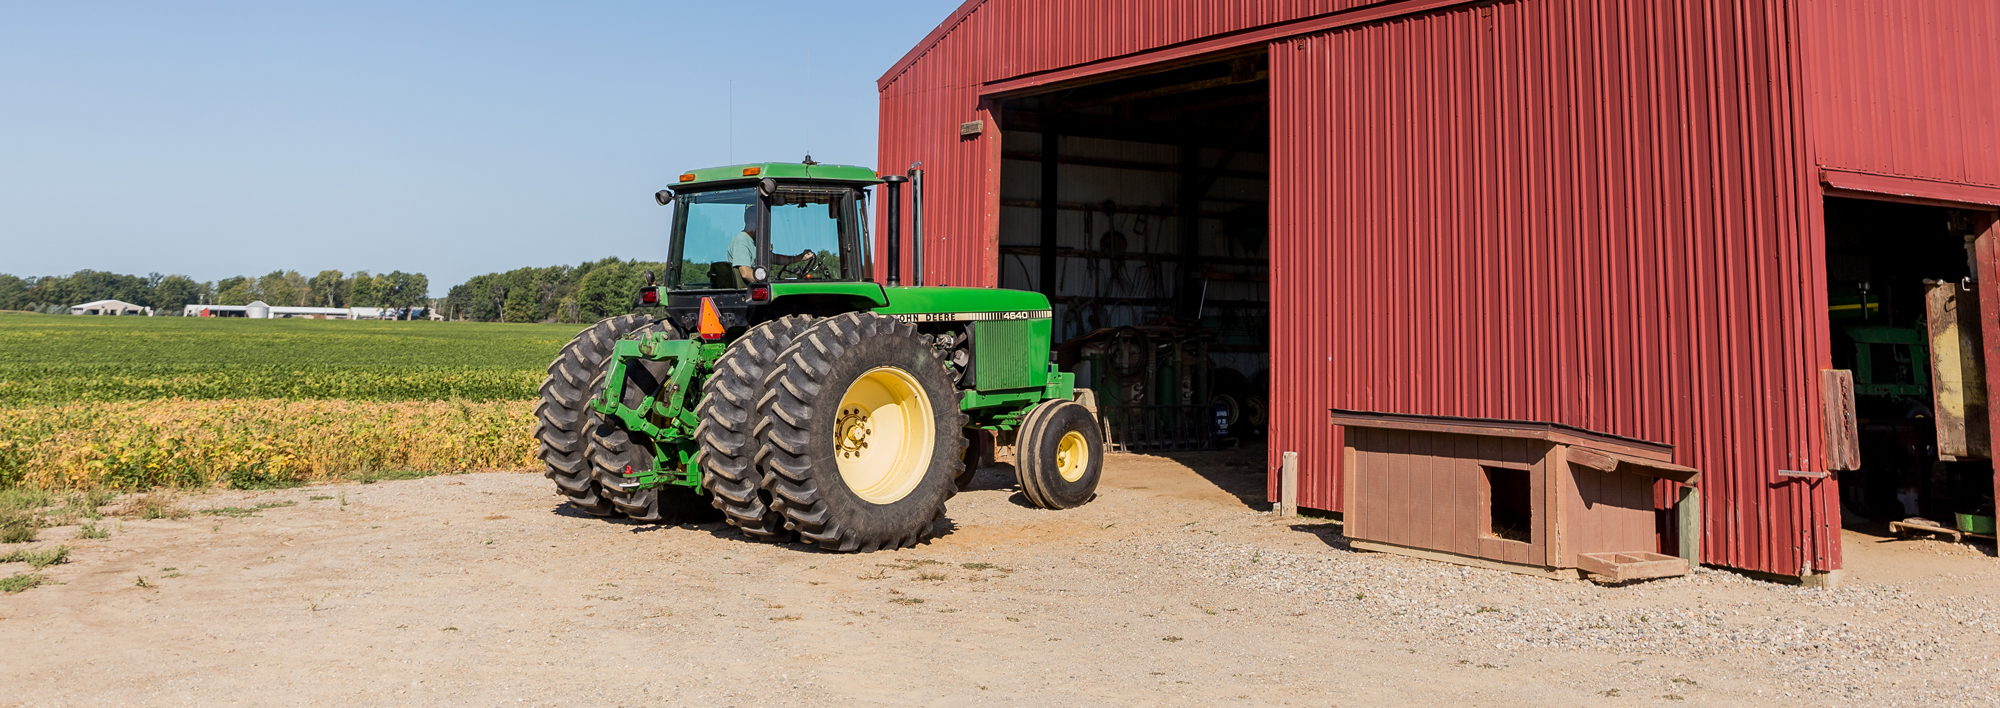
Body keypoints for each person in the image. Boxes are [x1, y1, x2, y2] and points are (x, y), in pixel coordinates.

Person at [726, 206, 811, 282]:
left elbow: (776, 259)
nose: (763, 229)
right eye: (760, 225)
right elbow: (745, 273)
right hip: (747, 293)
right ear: (751, 223)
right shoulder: (741, 241)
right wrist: (767, 284)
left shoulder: (756, 242)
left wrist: (800, 257)